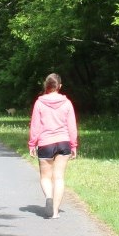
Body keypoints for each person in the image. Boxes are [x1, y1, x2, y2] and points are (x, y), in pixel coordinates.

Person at [28, 73, 78, 219]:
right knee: (59, 178)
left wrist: (32, 143)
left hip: (46, 143)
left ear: (46, 86)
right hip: (63, 142)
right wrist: (73, 145)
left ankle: (48, 197)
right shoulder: (67, 103)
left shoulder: (40, 103)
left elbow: (35, 125)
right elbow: (72, 126)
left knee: (45, 177)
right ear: (60, 86)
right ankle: (55, 211)